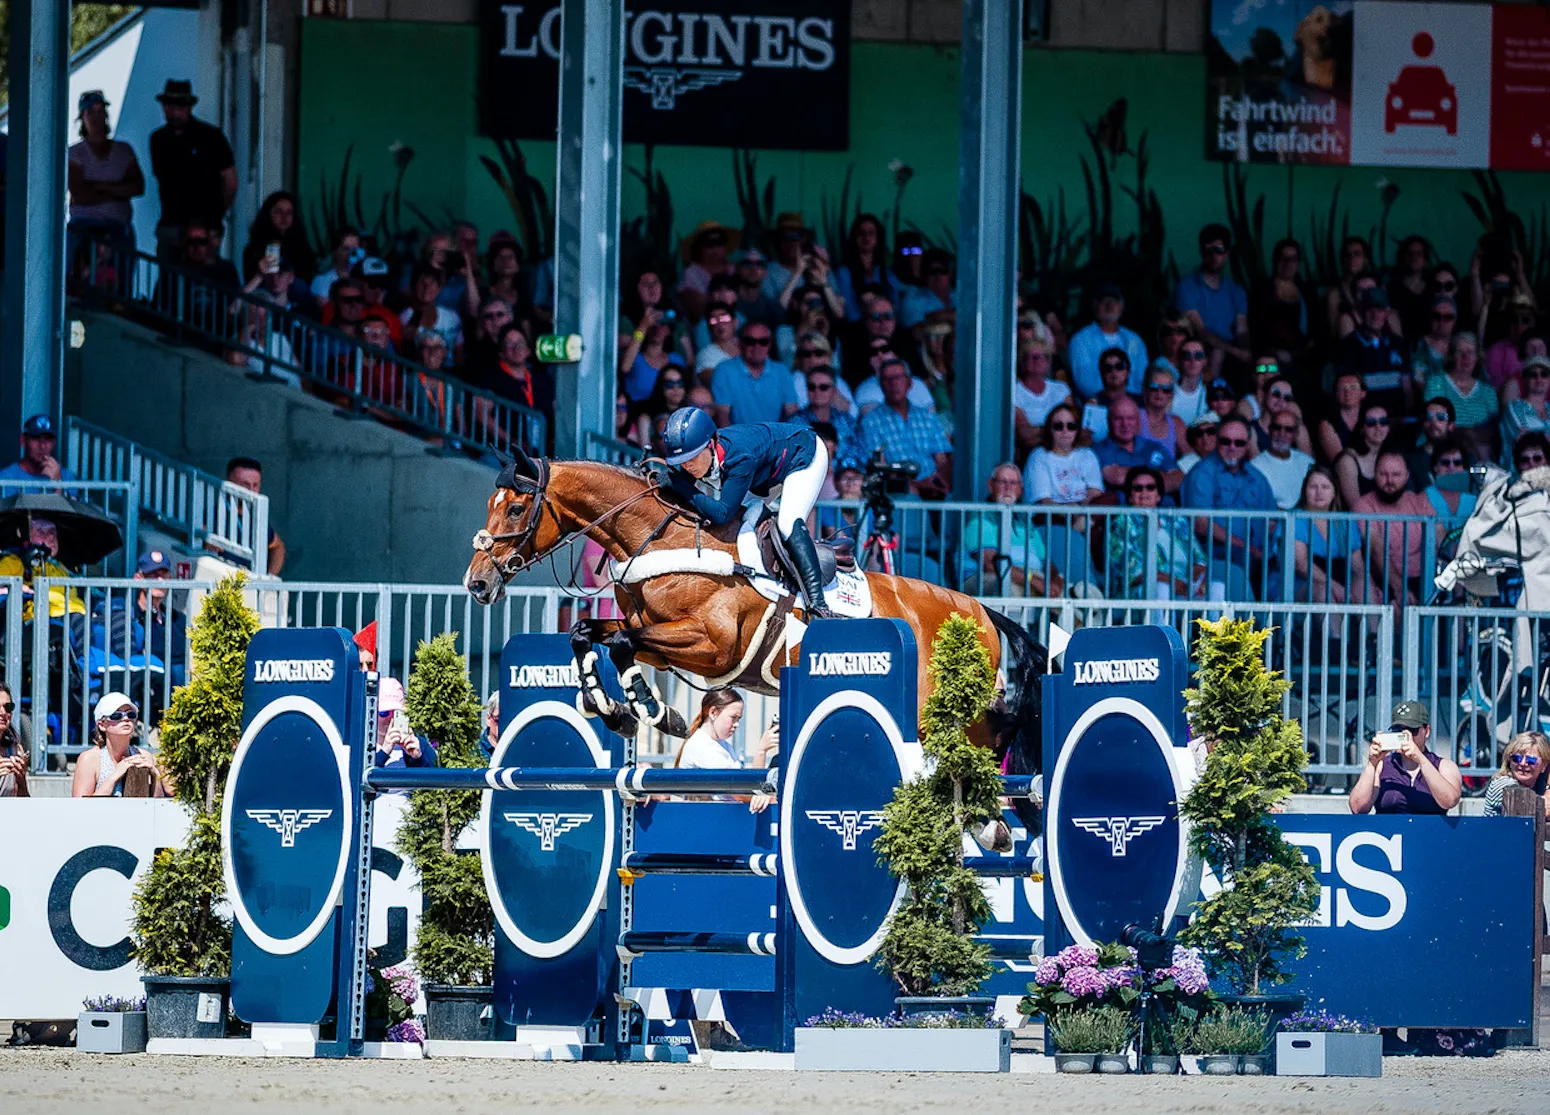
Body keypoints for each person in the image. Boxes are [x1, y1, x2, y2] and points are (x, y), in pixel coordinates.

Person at [651, 410, 835, 618]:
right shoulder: (704, 453)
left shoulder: (740, 457)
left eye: (692, 458)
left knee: (787, 522)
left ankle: (819, 604)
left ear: (711, 444)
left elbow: (722, 513)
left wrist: (681, 486)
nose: (687, 466)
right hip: (765, 470)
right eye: (681, 461)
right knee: (743, 518)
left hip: (803, 454)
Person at [1182, 417, 1279, 600]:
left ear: (1247, 445)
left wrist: (1271, 550)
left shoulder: (1256, 477)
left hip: (1257, 554)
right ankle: (1249, 622)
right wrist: (1249, 549)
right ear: (1217, 441)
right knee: (1242, 559)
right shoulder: (1202, 473)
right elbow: (1201, 524)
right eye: (1225, 441)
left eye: (1239, 443)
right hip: (1214, 552)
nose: (1232, 447)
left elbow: (1272, 521)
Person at [147, 80, 235, 260]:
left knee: (203, 280)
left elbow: (230, 182)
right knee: (169, 281)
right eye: (170, 106)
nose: (175, 112)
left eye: (180, 106)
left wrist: (216, 216)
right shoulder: (158, 139)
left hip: (205, 225)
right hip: (171, 222)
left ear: (189, 108)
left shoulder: (211, 137)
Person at [1022, 402, 1102, 593]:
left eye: (1071, 425)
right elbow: (1043, 501)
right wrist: (1074, 512)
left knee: (1109, 504)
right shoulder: (1039, 456)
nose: (1065, 431)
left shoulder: (1087, 455)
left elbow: (1096, 493)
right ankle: (1084, 587)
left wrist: (1077, 512)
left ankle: (1092, 586)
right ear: (1049, 429)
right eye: (1058, 426)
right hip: (1053, 521)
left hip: (1083, 518)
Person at [1106, 465, 1213, 604]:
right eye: (1138, 488)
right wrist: (1172, 582)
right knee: (1161, 589)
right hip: (1140, 590)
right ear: (1130, 496)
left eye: (1150, 487)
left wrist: (1197, 574)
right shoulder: (1121, 523)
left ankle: (1214, 627)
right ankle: (1159, 627)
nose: (1144, 492)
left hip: (1184, 585)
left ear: (1158, 495)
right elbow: (1132, 570)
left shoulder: (1177, 520)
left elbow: (1198, 556)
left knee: (1216, 588)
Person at [858, 356, 951, 497]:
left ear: (909, 383)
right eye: (887, 379)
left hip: (934, 486)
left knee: (954, 500)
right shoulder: (871, 421)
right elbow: (879, 467)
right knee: (909, 497)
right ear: (881, 385)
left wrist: (940, 483)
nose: (894, 383)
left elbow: (942, 460)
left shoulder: (927, 417)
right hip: (899, 489)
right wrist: (917, 485)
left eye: (898, 377)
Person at [960, 464, 1059, 597]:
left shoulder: (1025, 520)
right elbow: (991, 565)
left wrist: (1054, 581)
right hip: (987, 578)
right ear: (990, 485)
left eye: (1013, 483)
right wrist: (1032, 580)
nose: (1008, 487)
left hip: (1032, 576)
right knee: (1010, 588)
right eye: (1002, 482)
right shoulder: (980, 517)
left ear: (1020, 489)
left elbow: (1046, 561)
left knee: (1081, 591)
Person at [673, 687, 777, 812]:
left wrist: (764, 792)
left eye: (739, 719)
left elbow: (750, 786)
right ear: (713, 713)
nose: (737, 724)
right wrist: (761, 751)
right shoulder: (701, 746)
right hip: (708, 820)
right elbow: (743, 792)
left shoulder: (723, 745)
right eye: (733, 717)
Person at [67, 90, 144, 258]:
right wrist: (119, 190)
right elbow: (81, 195)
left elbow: (138, 187)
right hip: (84, 230)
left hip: (119, 229)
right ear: (82, 117)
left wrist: (99, 186)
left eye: (100, 111)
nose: (96, 117)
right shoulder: (75, 153)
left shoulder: (123, 151)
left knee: (121, 280)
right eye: (90, 112)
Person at [1348, 701, 1462, 815]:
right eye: (1398, 731)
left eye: (1412, 730)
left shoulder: (1444, 766)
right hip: (1391, 830)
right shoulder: (1382, 766)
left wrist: (1421, 760)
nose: (1406, 737)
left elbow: (1450, 801)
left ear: (1426, 731)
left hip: (1430, 831)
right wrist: (1372, 763)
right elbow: (1357, 808)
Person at [1353, 451, 1435, 604]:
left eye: (1396, 474)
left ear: (1407, 476)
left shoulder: (1420, 502)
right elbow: (1377, 548)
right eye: (1383, 474)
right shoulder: (1363, 505)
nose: (1389, 481)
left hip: (1425, 577)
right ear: (1374, 474)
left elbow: (1440, 540)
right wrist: (1399, 587)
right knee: (1397, 608)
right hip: (1383, 578)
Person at [1292, 467, 1375, 605]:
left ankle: (1374, 627)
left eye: (1325, 487)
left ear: (1334, 492)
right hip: (1299, 584)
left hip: (1339, 582)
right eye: (1313, 487)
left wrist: (1370, 586)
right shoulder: (1295, 518)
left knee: (1362, 586)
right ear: (1305, 491)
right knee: (1323, 591)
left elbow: (1357, 567)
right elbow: (1301, 564)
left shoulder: (1344, 522)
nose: (1319, 492)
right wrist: (1335, 588)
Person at [1175, 223, 1251, 374]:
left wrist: (1247, 352)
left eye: (1219, 250)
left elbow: (1242, 329)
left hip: (1232, 350)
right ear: (1201, 252)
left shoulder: (1236, 291)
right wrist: (1236, 352)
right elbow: (1200, 330)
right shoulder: (1187, 287)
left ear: (1227, 253)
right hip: (1202, 348)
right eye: (1208, 250)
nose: (1213, 256)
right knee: (1217, 352)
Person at [71, 692, 167, 798]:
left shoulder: (143, 755)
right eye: (116, 715)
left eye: (131, 714)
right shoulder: (90, 759)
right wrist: (116, 775)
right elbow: (80, 808)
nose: (125, 719)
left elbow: (157, 807)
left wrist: (156, 775)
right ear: (102, 725)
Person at [1422, 332, 1496, 464]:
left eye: (1470, 352)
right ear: (1451, 356)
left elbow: (1492, 428)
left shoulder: (1488, 391)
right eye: (1460, 352)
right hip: (1442, 449)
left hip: (1478, 451)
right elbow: (1434, 421)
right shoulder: (1436, 383)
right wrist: (1466, 433)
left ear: (1477, 357)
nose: (1465, 357)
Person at [1339, 287, 1411, 419]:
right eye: (1369, 309)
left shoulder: (1398, 344)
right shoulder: (1348, 346)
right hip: (1365, 421)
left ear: (1387, 313)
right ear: (1361, 312)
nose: (1375, 315)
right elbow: (1349, 394)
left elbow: (1407, 390)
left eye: (1380, 310)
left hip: (1397, 420)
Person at [1068, 283, 1147, 399]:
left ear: (1121, 306)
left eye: (1114, 301)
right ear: (1095, 306)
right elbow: (1085, 383)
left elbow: (1143, 378)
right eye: (1103, 301)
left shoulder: (1135, 340)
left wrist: (1129, 401)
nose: (1109, 305)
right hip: (1098, 403)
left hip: (1134, 404)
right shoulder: (1080, 340)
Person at [1094, 398, 1182, 501]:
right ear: (1108, 422)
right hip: (1123, 514)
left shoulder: (1154, 447)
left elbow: (1178, 479)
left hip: (1164, 514)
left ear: (1138, 421)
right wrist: (1160, 475)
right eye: (1118, 419)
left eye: (1130, 418)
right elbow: (1116, 477)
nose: (1125, 424)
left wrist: (1131, 475)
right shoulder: (1099, 449)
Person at [710, 323, 797, 426]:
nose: (757, 346)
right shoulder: (724, 370)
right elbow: (722, 415)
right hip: (738, 439)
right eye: (750, 341)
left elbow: (792, 413)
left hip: (774, 439)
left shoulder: (781, 371)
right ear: (740, 343)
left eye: (763, 342)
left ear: (770, 344)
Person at [1012, 334, 1071, 459]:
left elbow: (1073, 426)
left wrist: (1038, 430)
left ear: (1048, 361)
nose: (1038, 360)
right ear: (1022, 361)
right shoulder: (1014, 391)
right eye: (1032, 357)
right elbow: (1025, 435)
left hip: (1065, 455)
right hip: (1029, 456)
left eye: (1043, 357)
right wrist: (1058, 430)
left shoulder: (1061, 389)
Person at [226, 457, 285, 576]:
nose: (251, 490)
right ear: (229, 483)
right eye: (245, 485)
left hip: (250, 589)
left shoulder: (256, 519)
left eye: (255, 485)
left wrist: (269, 578)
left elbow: (278, 547)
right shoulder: (213, 515)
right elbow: (186, 538)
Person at [0, 414, 80, 498]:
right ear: (23, 440)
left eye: (48, 439)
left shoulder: (66, 476)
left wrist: (59, 484)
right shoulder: (6, 477)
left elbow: (74, 509)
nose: (42, 446)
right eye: (35, 438)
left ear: (54, 443)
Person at [241, 191, 314, 282]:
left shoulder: (303, 249)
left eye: (289, 213)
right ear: (268, 214)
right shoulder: (253, 250)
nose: (284, 217)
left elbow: (306, 280)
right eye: (278, 212)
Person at [1249, 410, 1315, 510]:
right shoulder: (1255, 466)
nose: (1282, 433)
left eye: (1288, 429)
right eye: (1277, 428)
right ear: (1269, 430)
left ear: (1296, 434)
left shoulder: (1307, 463)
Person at [372, 678, 439, 774]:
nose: (390, 718)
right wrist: (384, 752)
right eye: (384, 713)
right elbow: (359, 782)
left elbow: (432, 783)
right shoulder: (362, 745)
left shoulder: (419, 744)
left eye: (396, 713)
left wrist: (416, 758)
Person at [1333, 401, 1391, 510]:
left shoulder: (1390, 457)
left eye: (1383, 422)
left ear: (1389, 427)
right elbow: (1356, 508)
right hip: (1353, 524)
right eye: (1371, 423)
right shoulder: (1347, 460)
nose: (1378, 427)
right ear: (1361, 428)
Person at [1481, 731, 1550, 818]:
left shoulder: (1540, 786)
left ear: (1544, 765)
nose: (1523, 763)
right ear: (1509, 760)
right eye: (1516, 758)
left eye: (1531, 760)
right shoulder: (1501, 785)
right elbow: (1533, 807)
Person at [1499, 353, 1550, 464]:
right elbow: (1526, 442)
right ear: (1524, 379)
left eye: (1544, 374)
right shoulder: (1514, 407)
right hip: (1519, 474)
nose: (1539, 379)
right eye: (1533, 375)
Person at [1316, 372, 1367, 463]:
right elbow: (1339, 461)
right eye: (1342, 388)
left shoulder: (1370, 419)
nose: (1347, 392)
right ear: (1336, 394)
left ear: (1363, 393)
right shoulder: (1327, 423)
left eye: (1353, 387)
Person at [1170, 336, 1210, 425]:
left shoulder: (1209, 394)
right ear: (1180, 360)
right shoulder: (1167, 392)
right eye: (1187, 356)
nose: (1192, 360)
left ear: (1205, 361)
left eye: (1198, 356)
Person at [0, 682, 28, 798]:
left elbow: (24, 808)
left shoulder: (14, 750)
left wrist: (21, 782)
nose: (3, 713)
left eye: (8, 707)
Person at [479, 691, 501, 759]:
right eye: (499, 720)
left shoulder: (519, 750)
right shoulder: (476, 752)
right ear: (488, 719)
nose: (504, 726)